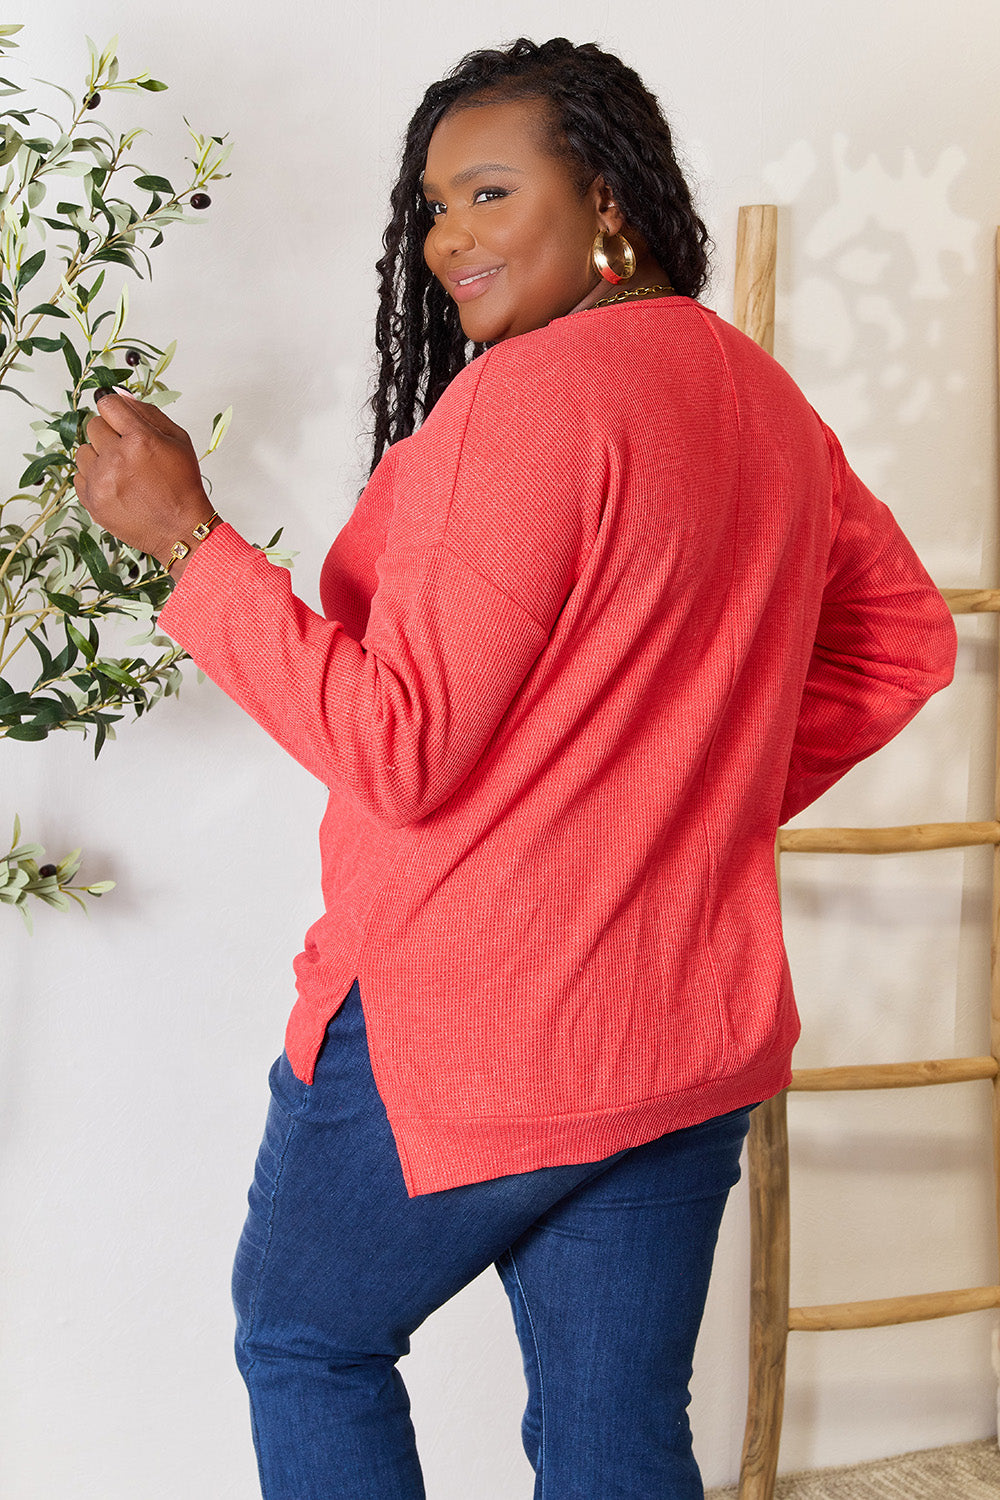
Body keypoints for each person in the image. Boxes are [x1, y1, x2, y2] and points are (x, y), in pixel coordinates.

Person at [72, 35, 957, 1500]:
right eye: (432, 206)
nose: (449, 239)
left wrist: (185, 541)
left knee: (306, 1341)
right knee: (614, 1439)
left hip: (471, 1021)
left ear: (606, 195)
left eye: (490, 191)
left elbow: (398, 750)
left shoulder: (526, 401)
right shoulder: (756, 397)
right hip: (680, 1021)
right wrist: (666, 806)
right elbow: (902, 646)